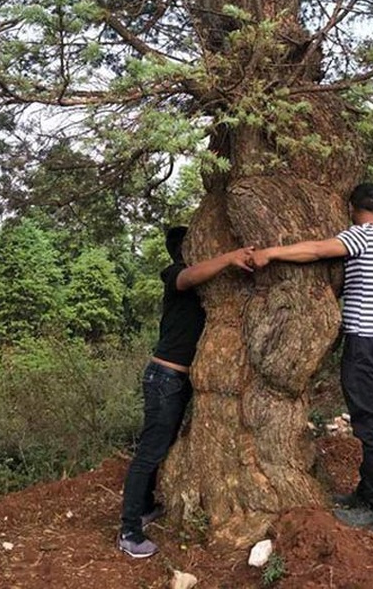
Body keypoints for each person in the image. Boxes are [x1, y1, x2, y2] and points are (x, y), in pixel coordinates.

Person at [249, 183, 373, 533]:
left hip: (368, 344)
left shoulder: (362, 236)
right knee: (372, 423)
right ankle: (367, 493)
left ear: (351, 207)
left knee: (371, 428)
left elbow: (317, 250)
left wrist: (271, 253)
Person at [118, 227, 255, 558]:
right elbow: (189, 276)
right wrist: (230, 257)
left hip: (176, 381)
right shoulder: (175, 274)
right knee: (150, 450)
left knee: (161, 445)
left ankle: (145, 506)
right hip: (164, 378)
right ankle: (128, 530)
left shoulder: (202, 284)